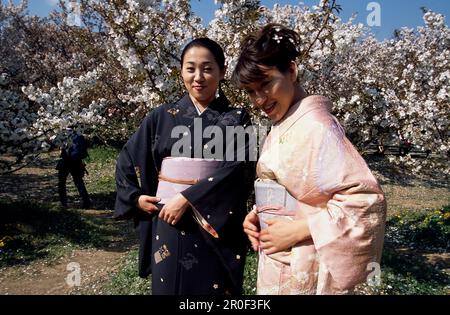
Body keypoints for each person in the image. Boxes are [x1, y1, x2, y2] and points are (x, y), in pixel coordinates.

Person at [232, 24, 387, 295]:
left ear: (292, 71)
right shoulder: (285, 123)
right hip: (279, 256)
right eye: (250, 91)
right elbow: (297, 190)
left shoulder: (316, 126)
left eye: (266, 84)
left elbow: (366, 204)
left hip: (301, 259)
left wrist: (300, 229)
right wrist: (259, 214)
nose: (259, 99)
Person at [114, 38, 255, 295]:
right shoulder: (161, 116)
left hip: (214, 227)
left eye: (208, 68)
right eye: (190, 68)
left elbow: (240, 169)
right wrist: (135, 198)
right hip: (168, 220)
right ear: (181, 71)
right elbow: (128, 159)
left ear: (222, 72)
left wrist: (188, 198)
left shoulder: (237, 119)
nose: (198, 77)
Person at [57, 129, 91, 208]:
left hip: (65, 160)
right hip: (76, 161)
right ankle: (86, 202)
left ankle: (63, 202)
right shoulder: (79, 134)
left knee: (62, 182)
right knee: (79, 182)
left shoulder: (63, 133)